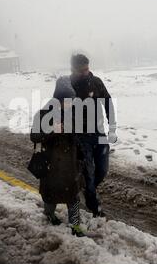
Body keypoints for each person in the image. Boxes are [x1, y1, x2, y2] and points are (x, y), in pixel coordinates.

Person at [30, 76, 86, 237]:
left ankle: (75, 225)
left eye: (71, 100)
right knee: (50, 195)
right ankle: (49, 214)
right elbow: (34, 136)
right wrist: (52, 131)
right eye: (66, 100)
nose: (69, 104)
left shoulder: (73, 113)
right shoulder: (42, 114)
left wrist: (83, 157)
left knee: (73, 196)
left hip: (71, 163)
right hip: (51, 164)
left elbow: (79, 136)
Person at [70, 54, 117, 218]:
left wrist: (112, 127)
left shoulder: (96, 82)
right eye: (81, 70)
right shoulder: (69, 86)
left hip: (99, 133)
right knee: (89, 173)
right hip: (81, 137)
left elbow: (108, 103)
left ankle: (87, 189)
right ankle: (94, 206)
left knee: (102, 170)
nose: (85, 72)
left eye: (87, 69)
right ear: (73, 69)